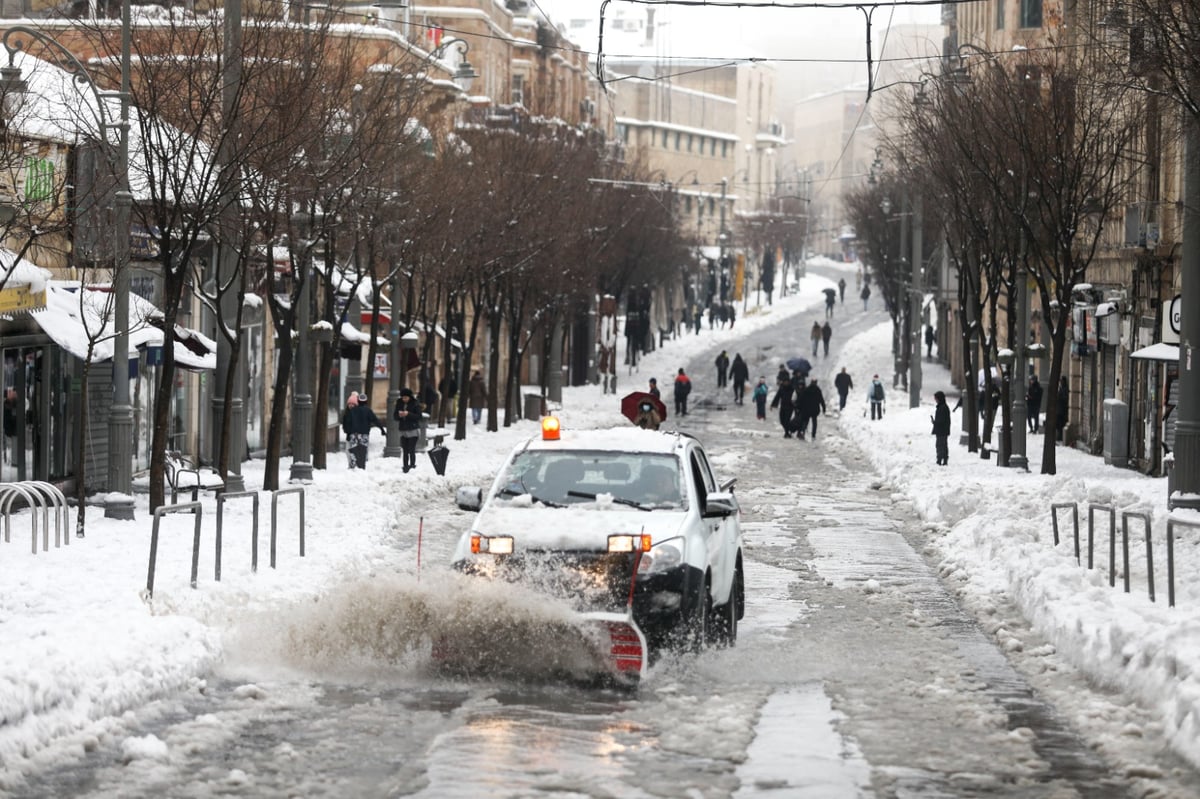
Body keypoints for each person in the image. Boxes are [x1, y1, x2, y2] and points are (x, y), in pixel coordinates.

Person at [342, 392, 385, 470]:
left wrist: (348, 433)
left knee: (354, 449)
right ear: (366, 401)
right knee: (363, 449)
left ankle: (353, 466)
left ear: (358, 401)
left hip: (354, 434)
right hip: (364, 434)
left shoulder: (353, 411)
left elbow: (348, 423)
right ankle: (361, 466)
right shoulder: (368, 411)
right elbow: (375, 420)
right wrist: (382, 429)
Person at [394, 387, 423, 472]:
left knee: (411, 449)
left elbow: (418, 416)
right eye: (403, 397)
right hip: (403, 430)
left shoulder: (415, 404)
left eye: (406, 397)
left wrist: (408, 414)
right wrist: (399, 415)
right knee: (405, 449)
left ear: (410, 397)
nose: (404, 399)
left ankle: (412, 465)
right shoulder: (399, 404)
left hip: (413, 430)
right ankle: (405, 466)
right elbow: (395, 416)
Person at [770, 371, 797, 438]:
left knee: (786, 420)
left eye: (787, 381)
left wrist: (796, 406)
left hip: (790, 407)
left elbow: (796, 397)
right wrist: (772, 405)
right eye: (785, 381)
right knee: (782, 421)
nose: (786, 383)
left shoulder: (792, 389)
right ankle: (788, 430)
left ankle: (787, 433)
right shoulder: (781, 388)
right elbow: (777, 396)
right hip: (783, 407)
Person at [932, 390, 951, 465]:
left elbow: (941, 420)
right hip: (943, 430)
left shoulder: (942, 408)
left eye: (936, 398)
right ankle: (944, 459)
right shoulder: (943, 407)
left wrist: (935, 422)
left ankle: (940, 459)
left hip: (942, 430)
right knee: (943, 445)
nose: (935, 400)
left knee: (940, 445)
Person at [1056, 375, 1070, 443]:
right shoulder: (1061, 388)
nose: (1060, 382)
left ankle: (1060, 436)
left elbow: (1065, 398)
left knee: (1061, 423)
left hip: (1062, 410)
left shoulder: (1064, 389)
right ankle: (1059, 436)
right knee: (1058, 424)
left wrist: (1059, 397)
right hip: (1059, 409)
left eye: (1061, 381)